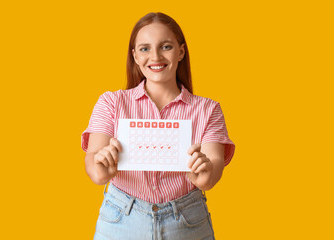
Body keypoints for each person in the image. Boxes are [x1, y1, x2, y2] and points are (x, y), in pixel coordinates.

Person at [81, 12, 235, 240]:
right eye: (144, 49)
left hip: (187, 223)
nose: (155, 56)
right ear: (134, 55)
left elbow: (210, 175)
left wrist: (203, 172)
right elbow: (93, 163)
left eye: (165, 47)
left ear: (181, 51)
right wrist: (101, 168)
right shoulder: (111, 103)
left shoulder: (208, 110)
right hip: (121, 220)